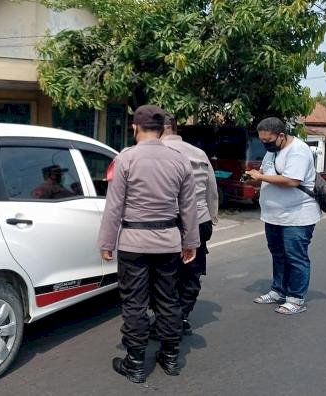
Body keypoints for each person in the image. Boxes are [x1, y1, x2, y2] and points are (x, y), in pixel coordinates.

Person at [99, 104, 200, 383]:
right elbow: (188, 206)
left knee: (135, 303)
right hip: (168, 242)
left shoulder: (126, 158)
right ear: (162, 128)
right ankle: (170, 357)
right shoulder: (179, 160)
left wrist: (107, 241)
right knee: (169, 299)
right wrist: (190, 241)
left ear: (135, 127)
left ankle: (134, 364)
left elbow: (114, 206)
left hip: (134, 243)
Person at [245, 117, 320, 315]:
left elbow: (292, 180)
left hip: (297, 216)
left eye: (268, 141)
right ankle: (278, 291)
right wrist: (254, 178)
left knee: (295, 257)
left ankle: (296, 298)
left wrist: (260, 177)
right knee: (278, 255)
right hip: (273, 216)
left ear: (281, 136)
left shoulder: (298, 150)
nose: (265, 144)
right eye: (262, 140)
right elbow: (265, 173)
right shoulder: (272, 152)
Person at [160, 111, 219, 334]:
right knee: (191, 271)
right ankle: (182, 316)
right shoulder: (199, 153)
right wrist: (210, 217)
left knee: (165, 273)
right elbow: (212, 191)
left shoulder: (154, 153)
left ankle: (168, 319)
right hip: (199, 220)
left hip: (167, 222)